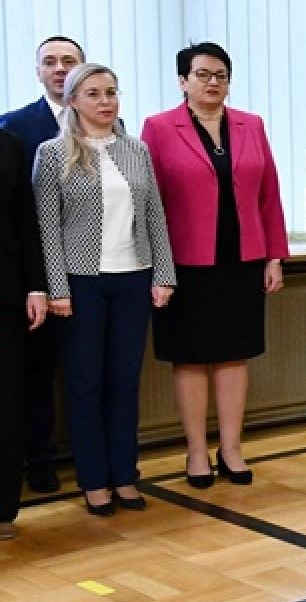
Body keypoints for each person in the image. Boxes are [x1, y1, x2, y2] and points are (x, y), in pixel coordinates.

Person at [142, 42, 290, 488]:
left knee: (233, 357)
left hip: (241, 259)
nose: (212, 82)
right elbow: (150, 202)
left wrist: (275, 256)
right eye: (202, 74)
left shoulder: (251, 124)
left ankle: (231, 448)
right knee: (189, 360)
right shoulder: (158, 127)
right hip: (183, 263)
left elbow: (269, 194)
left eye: (220, 74)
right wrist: (157, 266)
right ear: (182, 80)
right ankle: (195, 453)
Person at [34, 64, 176, 516]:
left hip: (134, 277)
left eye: (111, 92)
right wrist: (57, 287)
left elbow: (155, 214)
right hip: (80, 283)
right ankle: (94, 481)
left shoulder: (137, 151)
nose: (105, 101)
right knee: (84, 384)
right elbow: (48, 228)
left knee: (124, 382)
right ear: (73, 100)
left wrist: (164, 274)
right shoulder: (52, 153)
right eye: (93, 93)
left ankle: (124, 476)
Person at [0, 36, 85, 494]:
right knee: (32, 372)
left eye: (68, 61)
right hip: (33, 272)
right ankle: (39, 459)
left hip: (90, 266)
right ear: (37, 72)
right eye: (49, 62)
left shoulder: (105, 123)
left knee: (81, 368)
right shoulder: (13, 126)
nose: (59, 69)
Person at [0, 132, 49, 538]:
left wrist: (36, 285)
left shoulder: (9, 144)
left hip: (6, 294)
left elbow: (24, 218)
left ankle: (2, 508)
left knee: (7, 401)